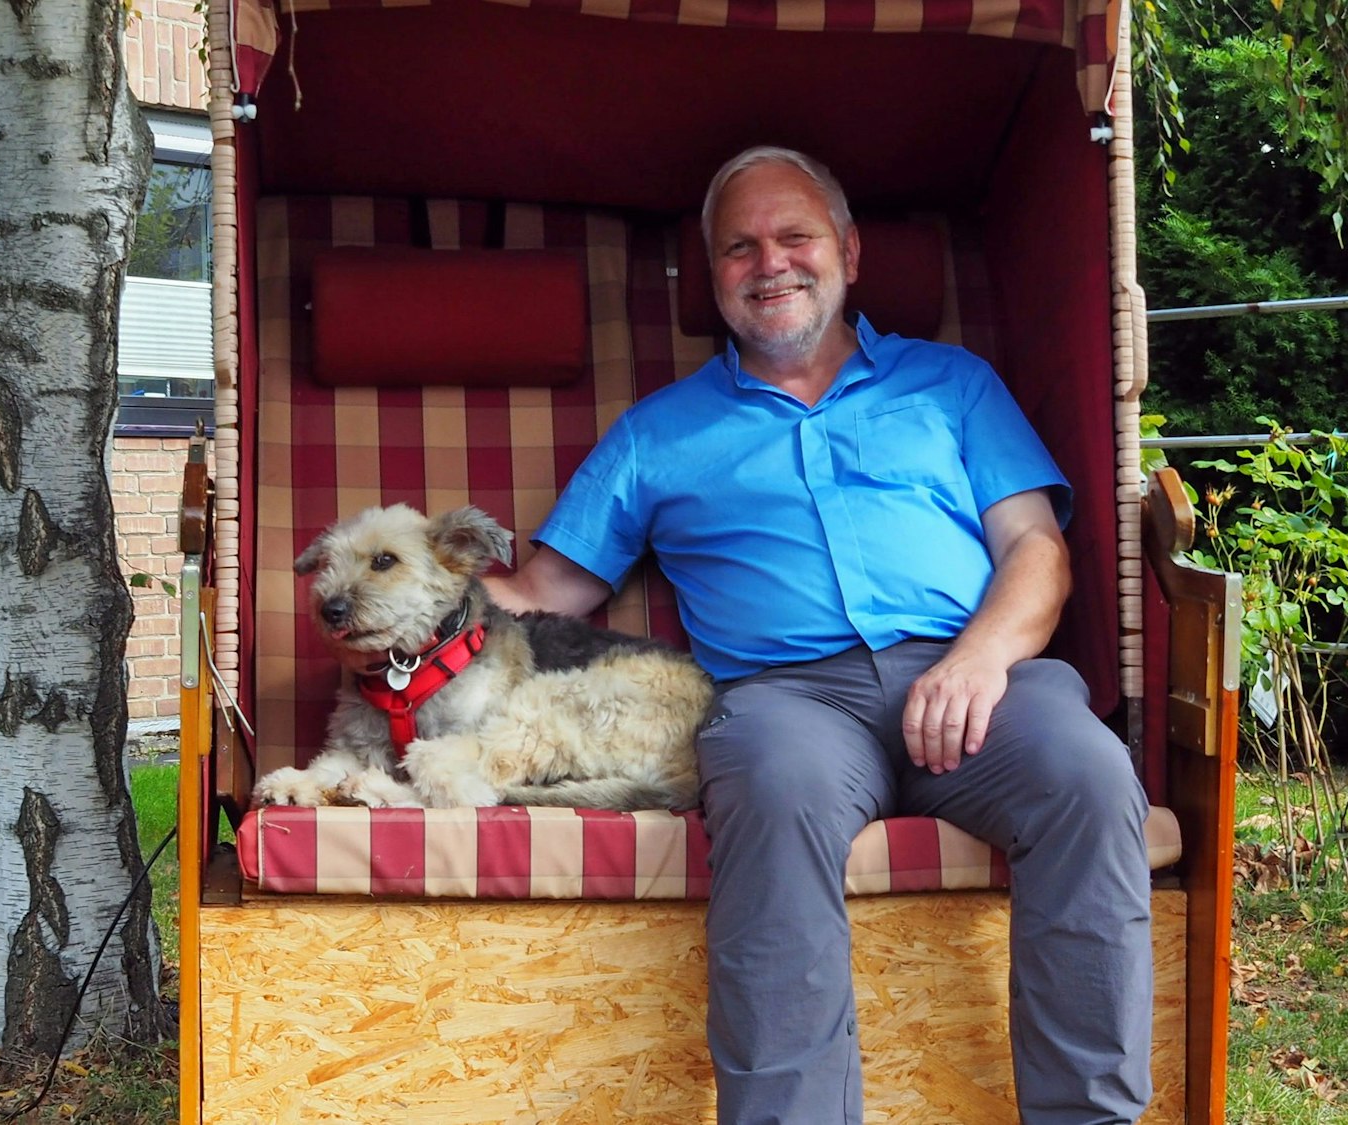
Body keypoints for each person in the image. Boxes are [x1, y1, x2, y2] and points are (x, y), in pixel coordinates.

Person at [484, 147, 1154, 1125]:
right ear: (708, 275)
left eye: (793, 237)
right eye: (738, 248)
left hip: (976, 678)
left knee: (1091, 777)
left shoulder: (952, 385)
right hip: (785, 704)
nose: (770, 264)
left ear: (844, 249)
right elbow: (545, 591)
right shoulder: (655, 434)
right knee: (771, 778)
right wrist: (412, 605)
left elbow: (1036, 554)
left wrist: (975, 658)